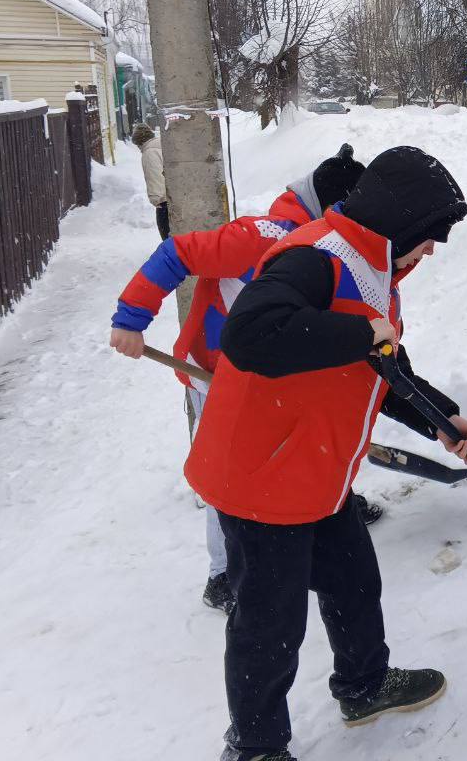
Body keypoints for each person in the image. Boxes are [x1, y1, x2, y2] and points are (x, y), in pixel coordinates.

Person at [186, 146, 467, 761]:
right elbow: (250, 333)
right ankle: (256, 747)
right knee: (270, 624)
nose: (432, 251)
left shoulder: (372, 268)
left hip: (315, 469)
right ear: (400, 220)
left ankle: (364, 686)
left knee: (353, 583)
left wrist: (440, 419)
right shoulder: (316, 258)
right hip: (262, 479)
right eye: (430, 236)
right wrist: (361, 333)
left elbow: (383, 367)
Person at [108, 145, 371, 615]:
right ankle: (222, 574)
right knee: (229, 474)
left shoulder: (325, 245)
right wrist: (131, 319)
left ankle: (327, 515)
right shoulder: (262, 236)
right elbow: (177, 252)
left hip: (273, 377)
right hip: (218, 377)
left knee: (300, 449)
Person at [132, 124, 168, 239]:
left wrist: (158, 200)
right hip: (177, 197)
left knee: (168, 238)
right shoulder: (161, 144)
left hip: (165, 203)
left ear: (139, 142)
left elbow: (155, 177)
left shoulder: (149, 152)